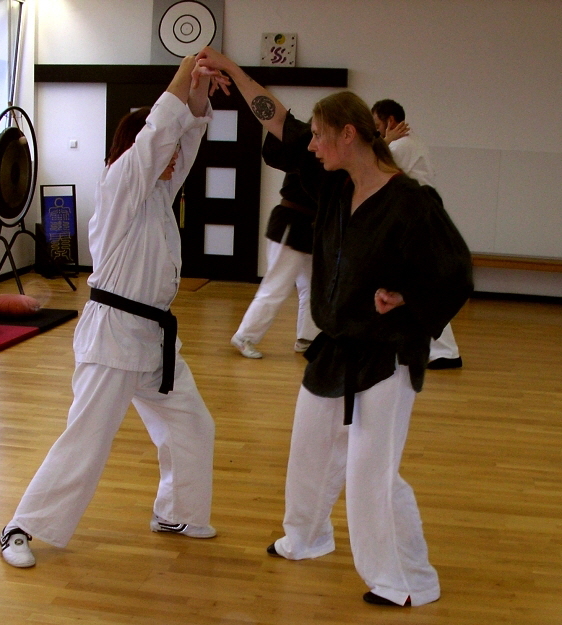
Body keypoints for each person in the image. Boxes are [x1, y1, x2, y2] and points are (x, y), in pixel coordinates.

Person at [197, 48, 473, 607]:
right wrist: (229, 68)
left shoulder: (412, 203)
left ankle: (408, 580)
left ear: (350, 135)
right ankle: (306, 537)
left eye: (321, 136)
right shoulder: (334, 185)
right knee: (310, 451)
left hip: (387, 352)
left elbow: (456, 271)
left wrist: (409, 298)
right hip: (336, 346)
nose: (312, 146)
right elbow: (275, 117)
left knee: (374, 474)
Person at [0, 55, 228, 568]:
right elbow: (159, 140)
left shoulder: (158, 196)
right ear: (136, 147)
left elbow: (184, 141)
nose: (172, 160)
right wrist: (186, 66)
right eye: (160, 150)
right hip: (112, 337)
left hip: (152, 341)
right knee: (86, 442)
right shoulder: (121, 185)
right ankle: (20, 527)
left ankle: (175, 512)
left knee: (193, 426)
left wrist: (198, 89)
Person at [372, 99, 462, 370]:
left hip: (417, 223)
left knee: (418, 287)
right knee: (410, 287)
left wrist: (385, 141)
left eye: (377, 125)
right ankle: (431, 348)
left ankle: (445, 351)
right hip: (419, 220)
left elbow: (375, 168)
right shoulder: (413, 143)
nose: (376, 132)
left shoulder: (401, 145)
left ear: (389, 122)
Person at [230, 170, 320, 359]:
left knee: (313, 285)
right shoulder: (306, 155)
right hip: (290, 222)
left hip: (309, 226)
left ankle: (307, 338)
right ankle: (244, 336)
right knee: (276, 286)